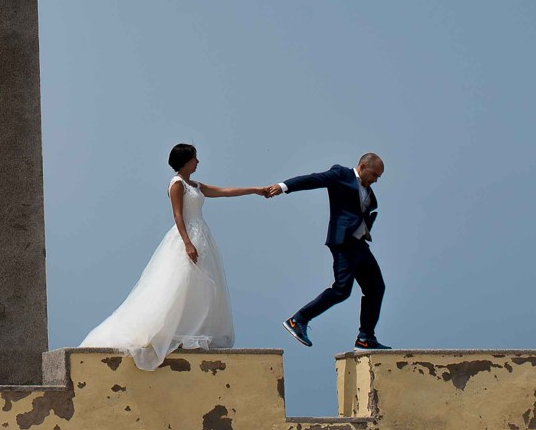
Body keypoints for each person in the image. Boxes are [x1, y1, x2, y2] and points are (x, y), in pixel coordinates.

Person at [79, 143, 282, 370]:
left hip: (202, 235)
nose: (198, 162)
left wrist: (256, 189)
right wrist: (187, 243)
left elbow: (223, 191)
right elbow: (177, 215)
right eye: (195, 158)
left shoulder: (194, 185)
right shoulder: (177, 184)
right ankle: (168, 332)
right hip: (186, 237)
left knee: (199, 286)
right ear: (186, 160)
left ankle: (192, 334)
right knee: (178, 284)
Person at [278, 152, 389, 351]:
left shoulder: (367, 188)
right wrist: (283, 187)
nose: (376, 180)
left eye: (378, 177)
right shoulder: (341, 175)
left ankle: (365, 338)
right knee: (341, 289)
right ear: (362, 167)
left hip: (359, 244)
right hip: (344, 242)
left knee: (376, 288)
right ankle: (298, 320)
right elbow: (312, 180)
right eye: (374, 175)